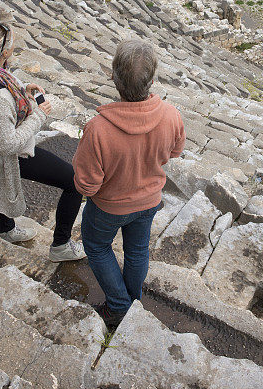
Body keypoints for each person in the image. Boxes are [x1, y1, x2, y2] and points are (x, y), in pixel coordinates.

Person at [73, 39, 185, 328]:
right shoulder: (171, 116)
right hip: (149, 201)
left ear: (114, 77)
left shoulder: (98, 128)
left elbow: (87, 185)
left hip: (109, 207)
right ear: (152, 80)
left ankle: (120, 305)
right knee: (137, 251)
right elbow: (174, 152)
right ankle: (132, 299)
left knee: (97, 247)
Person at [0, 19, 85, 262]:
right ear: (6, 51)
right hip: (9, 154)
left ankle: (7, 229)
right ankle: (60, 246)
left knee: (0, 176)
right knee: (74, 182)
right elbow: (8, 144)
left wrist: (22, 88)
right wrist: (39, 116)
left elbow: (3, 82)